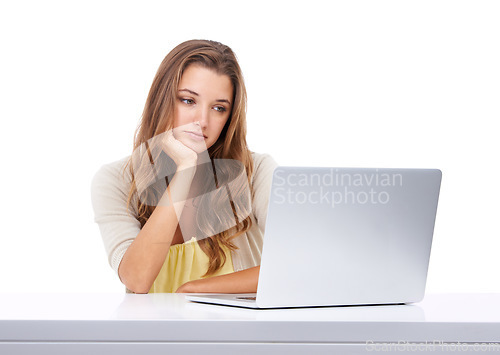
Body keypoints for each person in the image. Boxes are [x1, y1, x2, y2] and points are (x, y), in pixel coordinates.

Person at [90, 39, 278, 294]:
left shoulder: (255, 172)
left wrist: (194, 289)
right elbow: (136, 279)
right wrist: (185, 171)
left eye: (218, 108)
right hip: (154, 334)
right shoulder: (116, 180)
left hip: (238, 334)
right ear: (162, 100)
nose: (202, 121)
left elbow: (299, 262)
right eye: (188, 101)